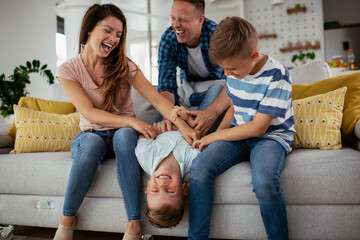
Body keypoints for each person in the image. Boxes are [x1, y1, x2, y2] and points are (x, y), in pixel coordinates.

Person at [53, 4, 197, 240]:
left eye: (119, 35)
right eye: (108, 31)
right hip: (92, 135)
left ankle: (133, 225)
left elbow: (159, 102)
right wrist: (132, 122)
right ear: (89, 29)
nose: (113, 39)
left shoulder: (125, 65)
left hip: (123, 134)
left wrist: (183, 126)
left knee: (123, 136)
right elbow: (89, 113)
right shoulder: (68, 69)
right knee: (91, 145)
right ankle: (66, 222)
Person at [189, 17, 296, 240]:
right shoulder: (236, 69)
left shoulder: (278, 75)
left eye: (232, 69)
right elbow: (234, 98)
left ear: (254, 55)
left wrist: (214, 136)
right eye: (224, 70)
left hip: (270, 137)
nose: (228, 75)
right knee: (199, 166)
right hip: (239, 132)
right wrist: (217, 136)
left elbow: (258, 127)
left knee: (264, 181)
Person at [155, 0, 231, 136]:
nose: (176, 25)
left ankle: (189, 131)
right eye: (173, 18)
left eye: (182, 19)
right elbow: (166, 84)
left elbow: (234, 79)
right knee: (160, 103)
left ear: (200, 19)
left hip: (216, 87)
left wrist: (212, 112)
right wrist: (167, 117)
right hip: (189, 90)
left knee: (218, 88)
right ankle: (170, 133)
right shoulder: (168, 39)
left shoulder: (216, 35)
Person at [135, 107, 198, 228]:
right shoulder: (193, 160)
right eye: (170, 191)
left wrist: (163, 126)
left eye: (155, 191)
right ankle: (194, 97)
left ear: (147, 187)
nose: (162, 184)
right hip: (189, 120)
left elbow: (144, 132)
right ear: (184, 189)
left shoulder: (144, 155)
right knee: (215, 89)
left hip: (162, 121)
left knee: (165, 94)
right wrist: (177, 126)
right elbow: (198, 135)